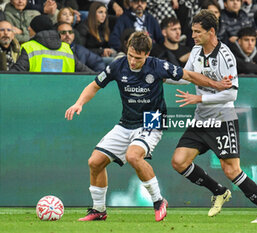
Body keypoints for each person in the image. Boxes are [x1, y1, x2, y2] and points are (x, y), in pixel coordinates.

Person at [64, 31, 232, 222]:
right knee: (94, 162)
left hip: (152, 119)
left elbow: (189, 75)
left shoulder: (158, 66)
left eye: (138, 58)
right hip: (126, 121)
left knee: (133, 156)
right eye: (130, 56)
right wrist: (79, 103)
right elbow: (94, 85)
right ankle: (99, 210)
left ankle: (158, 201)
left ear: (147, 54)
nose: (133, 61)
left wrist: (217, 85)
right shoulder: (118, 65)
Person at [171, 9, 257, 223]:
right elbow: (186, 76)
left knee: (231, 170)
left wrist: (199, 99)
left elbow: (231, 93)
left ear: (211, 32)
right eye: (192, 31)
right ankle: (219, 191)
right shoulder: (196, 51)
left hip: (222, 118)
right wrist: (163, 75)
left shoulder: (226, 56)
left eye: (197, 32)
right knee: (179, 161)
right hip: (202, 119)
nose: (193, 36)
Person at [10, 15, 91, 72]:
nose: (28, 28)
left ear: (36, 29)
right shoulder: (66, 48)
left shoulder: (29, 47)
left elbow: (17, 72)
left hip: (36, 94)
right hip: (62, 93)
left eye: (31, 26)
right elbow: (85, 72)